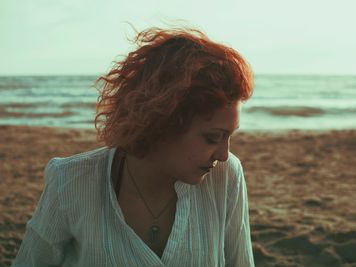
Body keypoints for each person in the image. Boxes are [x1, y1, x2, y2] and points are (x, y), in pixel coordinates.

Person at [13, 26, 255, 266]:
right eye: (213, 137)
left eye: (229, 136)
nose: (224, 154)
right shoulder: (71, 182)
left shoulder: (226, 177)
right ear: (163, 122)